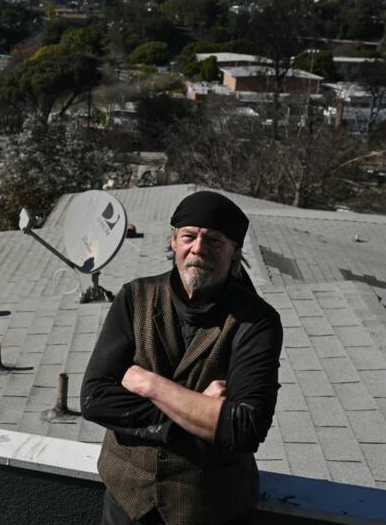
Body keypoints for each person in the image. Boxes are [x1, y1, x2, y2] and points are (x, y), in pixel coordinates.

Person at [81, 191, 283, 525]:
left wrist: (150, 384)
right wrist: (200, 413)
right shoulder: (135, 297)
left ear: (234, 254)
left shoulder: (257, 322)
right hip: (126, 501)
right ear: (173, 241)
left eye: (215, 240)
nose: (199, 249)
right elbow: (95, 398)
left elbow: (245, 428)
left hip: (210, 508)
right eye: (188, 236)